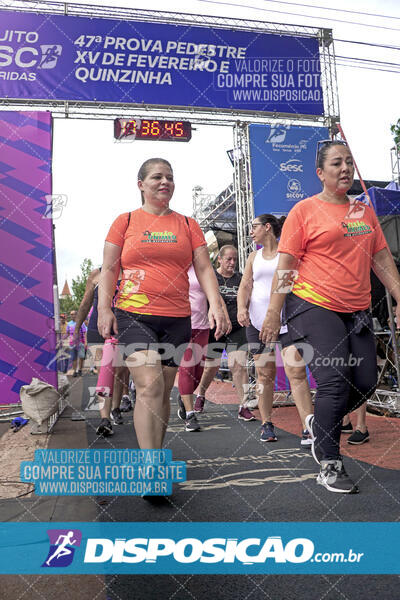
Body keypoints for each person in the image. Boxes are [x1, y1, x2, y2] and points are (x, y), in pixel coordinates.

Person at [260, 139, 400, 494]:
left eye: (349, 162)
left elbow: (382, 260)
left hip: (357, 309)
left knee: (366, 382)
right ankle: (330, 462)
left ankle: (319, 420)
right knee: (335, 379)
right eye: (337, 163)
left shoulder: (363, 212)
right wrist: (275, 312)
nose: (345, 169)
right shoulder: (304, 211)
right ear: (320, 173)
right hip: (313, 305)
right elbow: (287, 266)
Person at [97, 158, 227, 450]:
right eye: (157, 177)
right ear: (141, 185)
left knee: (162, 392)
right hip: (134, 314)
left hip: (178, 318)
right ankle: (150, 464)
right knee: (150, 384)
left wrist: (216, 305)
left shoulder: (187, 224)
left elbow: (205, 269)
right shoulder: (125, 221)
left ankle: (156, 453)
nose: (165, 182)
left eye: (169, 177)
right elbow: (109, 268)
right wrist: (104, 308)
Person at [237, 214, 313, 444]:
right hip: (257, 323)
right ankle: (266, 423)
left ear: (267, 227)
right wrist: (241, 308)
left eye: (254, 227)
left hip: (287, 321)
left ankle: (308, 426)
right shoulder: (253, 257)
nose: (251, 231)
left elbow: (291, 283)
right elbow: (245, 286)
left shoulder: (287, 254)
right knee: (264, 374)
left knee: (297, 372)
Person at [195, 245, 254, 421]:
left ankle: (243, 405)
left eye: (235, 259)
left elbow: (248, 298)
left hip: (237, 328)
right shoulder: (212, 277)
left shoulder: (240, 278)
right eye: (228, 259)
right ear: (219, 259)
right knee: (211, 366)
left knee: (238, 365)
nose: (232, 262)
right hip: (216, 328)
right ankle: (201, 395)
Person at [73, 267, 130, 436]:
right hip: (97, 329)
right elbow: (85, 304)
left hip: (123, 328)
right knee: (104, 372)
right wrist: (77, 329)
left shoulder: (132, 272)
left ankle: (116, 408)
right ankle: (105, 419)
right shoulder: (96, 274)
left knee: (119, 371)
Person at [177, 264, 211, 432]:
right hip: (183, 323)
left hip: (203, 325)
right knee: (187, 367)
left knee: (198, 372)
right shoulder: (177, 266)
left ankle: (184, 397)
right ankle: (190, 414)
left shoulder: (204, 266)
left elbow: (213, 292)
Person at [66, 310, 86, 377]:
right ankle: (75, 371)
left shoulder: (81, 323)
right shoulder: (69, 324)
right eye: (71, 314)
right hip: (72, 343)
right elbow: (67, 333)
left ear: (76, 315)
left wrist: (86, 342)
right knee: (74, 358)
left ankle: (80, 370)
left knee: (81, 357)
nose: (71, 316)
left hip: (81, 342)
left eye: (73, 314)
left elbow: (84, 332)